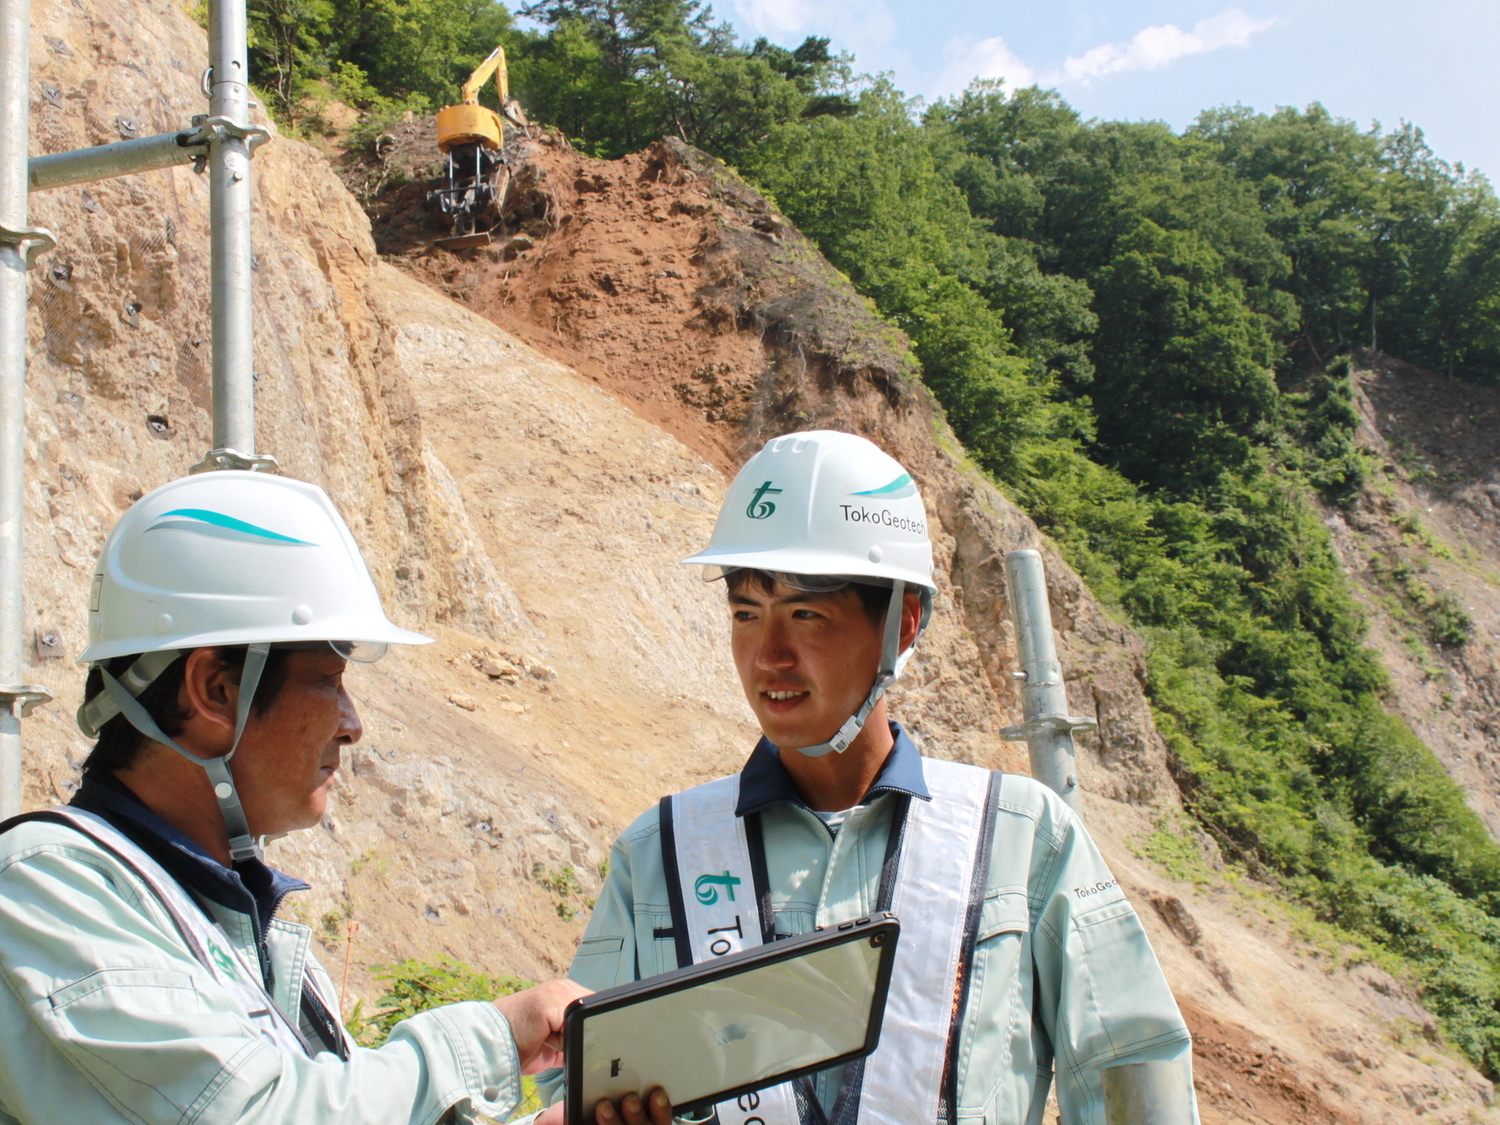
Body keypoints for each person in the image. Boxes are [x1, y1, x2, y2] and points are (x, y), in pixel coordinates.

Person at [547, 430, 1198, 1125]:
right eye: (745, 613)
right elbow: (573, 1089)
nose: (768, 655)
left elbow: (1135, 1074)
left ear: (902, 622)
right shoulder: (659, 853)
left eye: (806, 613)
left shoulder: (1020, 837)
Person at [0, 470, 588, 1124]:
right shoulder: (42, 889)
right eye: (328, 679)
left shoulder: (229, 929)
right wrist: (493, 1035)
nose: (352, 722)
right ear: (214, 691)